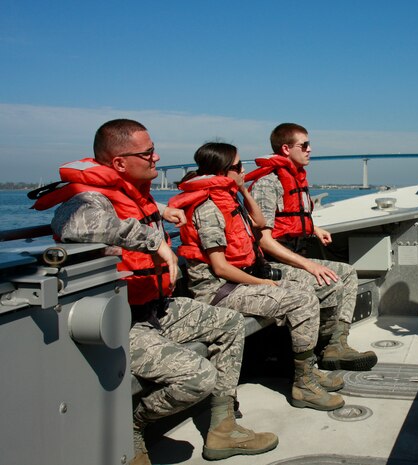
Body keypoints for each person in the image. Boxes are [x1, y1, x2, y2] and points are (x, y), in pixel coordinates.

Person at [31, 120, 278, 464]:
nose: (156, 157)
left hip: (155, 305)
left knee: (231, 324)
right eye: (148, 153)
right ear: (119, 163)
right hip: (122, 321)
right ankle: (131, 426)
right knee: (198, 377)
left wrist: (162, 210)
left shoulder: (135, 192)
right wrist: (156, 241)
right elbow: (78, 224)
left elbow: (130, 208)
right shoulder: (86, 199)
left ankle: (223, 428)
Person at [168, 142, 345, 411]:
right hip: (219, 290)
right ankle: (303, 384)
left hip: (240, 280)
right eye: (239, 167)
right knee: (302, 301)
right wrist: (264, 283)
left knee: (311, 290)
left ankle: (306, 371)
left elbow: (260, 223)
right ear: (224, 170)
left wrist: (240, 188)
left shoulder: (229, 198)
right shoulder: (207, 207)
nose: (244, 171)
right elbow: (220, 268)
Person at [245, 123, 377, 371]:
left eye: (309, 144)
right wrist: (309, 264)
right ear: (286, 148)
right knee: (329, 281)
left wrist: (313, 229)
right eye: (304, 145)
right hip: (271, 265)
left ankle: (336, 344)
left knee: (347, 272)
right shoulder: (267, 184)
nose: (310, 149)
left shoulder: (295, 177)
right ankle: (315, 350)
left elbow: (291, 217)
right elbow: (263, 239)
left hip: (293, 255)